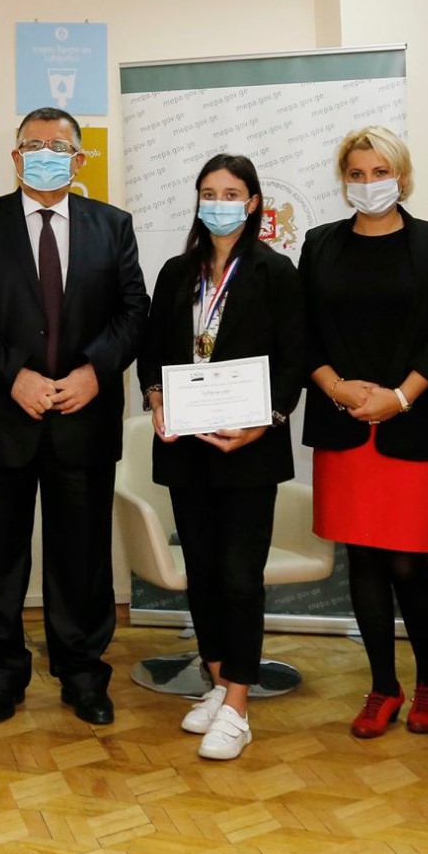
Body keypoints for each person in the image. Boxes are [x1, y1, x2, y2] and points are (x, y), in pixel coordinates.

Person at [0, 107, 149, 726]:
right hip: (0, 417)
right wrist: (14, 375)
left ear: (79, 159)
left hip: (83, 419)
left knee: (82, 557)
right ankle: (1, 675)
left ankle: (83, 674)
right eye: (32, 145)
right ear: (15, 157)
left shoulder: (112, 225)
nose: (44, 155)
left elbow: (134, 311)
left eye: (57, 147)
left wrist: (95, 371)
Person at [298, 125, 428, 738]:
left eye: (380, 172)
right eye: (356, 174)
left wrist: (398, 397)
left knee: (406, 562)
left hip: (413, 425)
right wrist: (337, 387)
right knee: (363, 561)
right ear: (343, 180)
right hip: (343, 421)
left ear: (402, 176)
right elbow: (302, 332)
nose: (368, 183)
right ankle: (382, 687)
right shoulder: (319, 244)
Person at [140, 154, 305, 762]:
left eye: (231, 193)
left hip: (248, 451)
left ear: (253, 202)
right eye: (209, 192)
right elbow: (153, 351)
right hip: (187, 448)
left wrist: (266, 422)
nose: (219, 203)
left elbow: (293, 358)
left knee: (239, 575)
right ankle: (217, 681)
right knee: (204, 573)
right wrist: (156, 398)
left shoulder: (275, 271)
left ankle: (238, 704)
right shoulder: (176, 272)